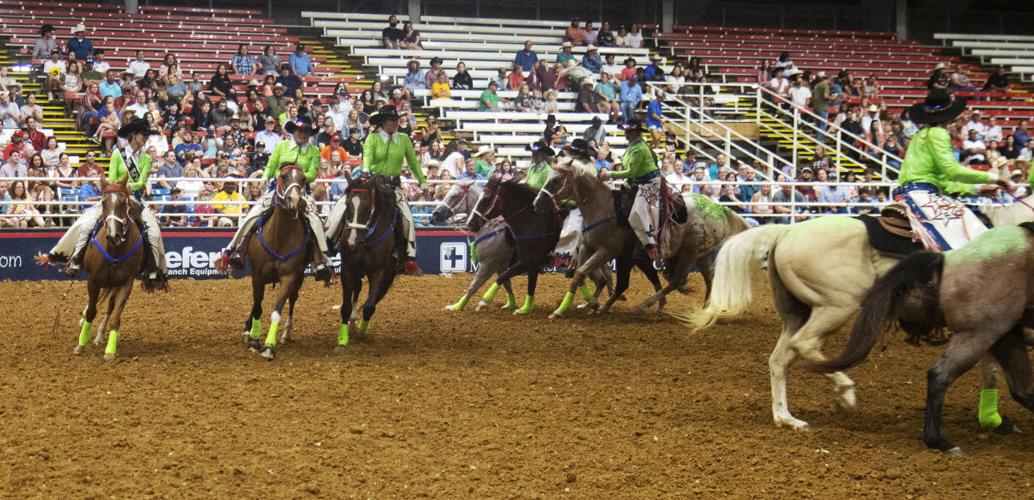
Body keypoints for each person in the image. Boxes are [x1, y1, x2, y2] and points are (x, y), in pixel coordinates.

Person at [36, 119, 167, 287]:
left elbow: (141, 183)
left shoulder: (147, 158)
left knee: (154, 234)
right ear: (133, 135)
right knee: (85, 224)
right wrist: (118, 187)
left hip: (135, 198)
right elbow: (111, 176)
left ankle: (153, 270)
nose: (146, 138)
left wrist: (125, 186)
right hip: (114, 195)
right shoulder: (118, 154)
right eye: (144, 134)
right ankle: (75, 259)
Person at [219, 116, 332, 282]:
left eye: (306, 131)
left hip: (301, 190)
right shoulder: (282, 145)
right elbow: (271, 165)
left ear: (310, 134)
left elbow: (312, 174)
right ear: (294, 131)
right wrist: (265, 176)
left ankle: (322, 260)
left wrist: (295, 176)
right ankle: (235, 249)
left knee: (314, 219)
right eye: (300, 130)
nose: (302, 134)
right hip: (278, 189)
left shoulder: (314, 151)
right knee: (253, 214)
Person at [895, 90, 1008, 252]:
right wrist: (992, 177)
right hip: (922, 196)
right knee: (967, 239)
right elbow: (952, 171)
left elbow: (943, 181)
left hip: (914, 193)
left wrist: (978, 189)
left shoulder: (920, 136)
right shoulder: (939, 133)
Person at [328, 105, 427, 275]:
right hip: (372, 182)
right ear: (382, 122)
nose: (394, 123)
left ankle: (409, 258)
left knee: (408, 218)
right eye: (391, 120)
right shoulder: (372, 138)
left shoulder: (404, 139)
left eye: (396, 120)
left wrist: (422, 181)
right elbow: (367, 156)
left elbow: (413, 163)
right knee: (342, 206)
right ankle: (328, 247)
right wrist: (365, 170)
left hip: (392, 185)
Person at [600, 120, 661, 260]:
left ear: (636, 133)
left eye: (630, 132)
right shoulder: (633, 146)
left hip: (649, 183)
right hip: (637, 182)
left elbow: (631, 172)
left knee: (637, 212)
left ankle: (650, 244)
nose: (627, 134)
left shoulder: (639, 148)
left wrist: (609, 174)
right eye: (627, 131)